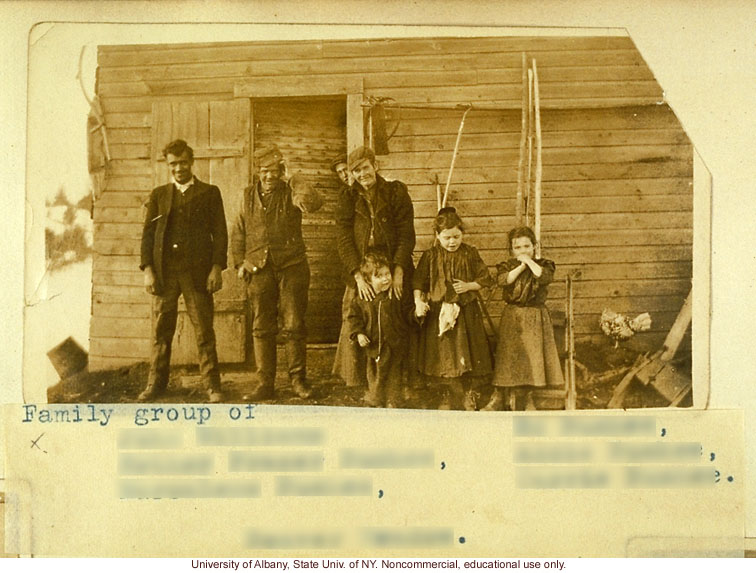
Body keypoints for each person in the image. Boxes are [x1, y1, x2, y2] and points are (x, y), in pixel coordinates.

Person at [231, 144, 323, 401]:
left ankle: (297, 380)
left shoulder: (292, 190)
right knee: (262, 326)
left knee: (294, 324)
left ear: (281, 171)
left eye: (273, 171)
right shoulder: (247, 195)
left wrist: (297, 179)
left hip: (292, 267)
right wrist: (240, 263)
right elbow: (238, 231)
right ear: (257, 172)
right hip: (259, 269)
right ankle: (265, 384)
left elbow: (313, 203)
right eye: (263, 171)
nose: (268, 176)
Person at [139, 139, 227, 403]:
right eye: (173, 164)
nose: (179, 168)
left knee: (203, 331)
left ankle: (212, 386)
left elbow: (220, 234)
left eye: (183, 162)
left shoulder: (210, 193)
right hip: (165, 274)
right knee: (161, 331)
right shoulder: (159, 195)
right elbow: (147, 235)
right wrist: (148, 269)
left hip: (197, 274)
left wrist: (217, 267)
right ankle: (156, 384)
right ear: (169, 166)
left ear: (192, 162)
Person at [333, 146, 416, 388]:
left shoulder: (395, 192)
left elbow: (406, 235)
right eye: (356, 170)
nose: (362, 174)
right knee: (357, 316)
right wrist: (358, 276)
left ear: (375, 166)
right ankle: (359, 381)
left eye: (365, 168)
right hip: (362, 269)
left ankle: (400, 382)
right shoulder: (347, 198)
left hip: (390, 269)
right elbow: (343, 239)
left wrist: (399, 270)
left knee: (397, 320)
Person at [413, 207, 494, 411]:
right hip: (439, 314)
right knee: (443, 356)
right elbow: (418, 282)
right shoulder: (430, 256)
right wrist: (418, 302)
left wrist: (468, 286)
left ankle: (469, 395)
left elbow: (485, 279)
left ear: (462, 234)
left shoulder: (470, 253)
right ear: (437, 236)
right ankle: (446, 395)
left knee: (469, 353)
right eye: (447, 237)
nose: (452, 242)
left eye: (456, 236)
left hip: (466, 312)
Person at [483, 226, 564, 411]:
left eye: (527, 246)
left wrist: (529, 262)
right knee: (507, 356)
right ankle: (498, 396)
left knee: (533, 359)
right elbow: (505, 281)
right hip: (513, 315)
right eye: (518, 248)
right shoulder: (507, 266)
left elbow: (543, 277)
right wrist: (521, 265)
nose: (523, 251)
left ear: (534, 246)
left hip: (535, 315)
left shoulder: (544, 264)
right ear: (512, 250)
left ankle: (529, 399)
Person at [346, 252, 414, 408]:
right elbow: (353, 318)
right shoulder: (362, 300)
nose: (386, 279)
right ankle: (375, 400)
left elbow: (407, 312)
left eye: (387, 274)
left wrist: (416, 314)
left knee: (394, 375)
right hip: (374, 346)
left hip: (394, 344)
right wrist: (359, 334)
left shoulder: (396, 296)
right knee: (375, 376)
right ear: (368, 280)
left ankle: (393, 400)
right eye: (379, 276)